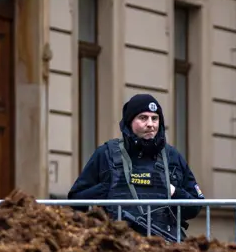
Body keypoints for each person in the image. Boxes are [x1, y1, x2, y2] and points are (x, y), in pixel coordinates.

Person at [67, 93, 204, 241]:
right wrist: (107, 189)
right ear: (130, 122)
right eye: (143, 118)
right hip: (117, 248)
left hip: (165, 250)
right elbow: (76, 200)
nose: (150, 124)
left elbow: (196, 206)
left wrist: (174, 192)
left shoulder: (172, 156)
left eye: (155, 118)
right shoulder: (107, 154)